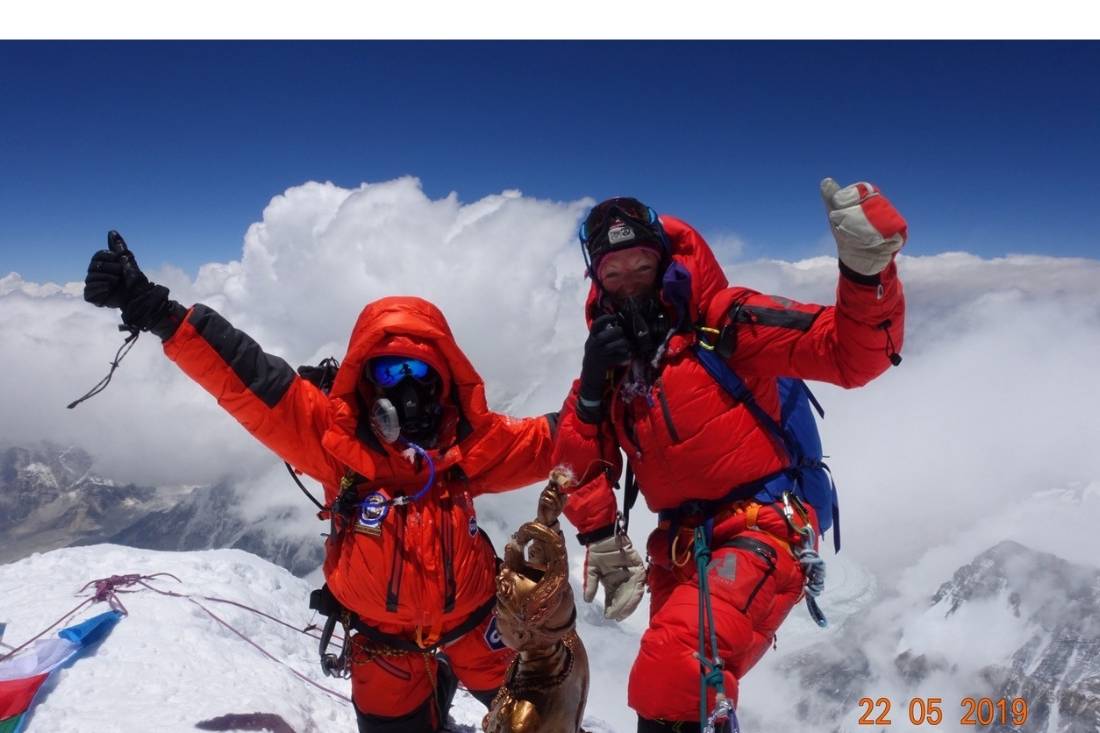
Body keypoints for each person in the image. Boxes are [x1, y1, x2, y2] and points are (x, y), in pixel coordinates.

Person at [82, 240, 558, 732]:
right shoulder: (335, 440)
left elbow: (556, 440)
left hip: (480, 626)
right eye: (389, 370)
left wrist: (611, 403)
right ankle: (433, 682)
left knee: (544, 720)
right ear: (366, 380)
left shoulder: (470, 444)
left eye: (418, 370)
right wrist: (156, 311)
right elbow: (248, 377)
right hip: (383, 644)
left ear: (443, 377)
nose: (406, 387)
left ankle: (440, 674)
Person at [551, 180, 907, 731]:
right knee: (676, 689)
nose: (628, 285)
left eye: (640, 266)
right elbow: (575, 462)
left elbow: (849, 355)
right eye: (612, 274)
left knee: (676, 669)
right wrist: (595, 388)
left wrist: (866, 275)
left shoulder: (726, 320)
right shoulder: (612, 360)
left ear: (664, 261)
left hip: (762, 524)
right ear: (597, 281)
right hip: (678, 544)